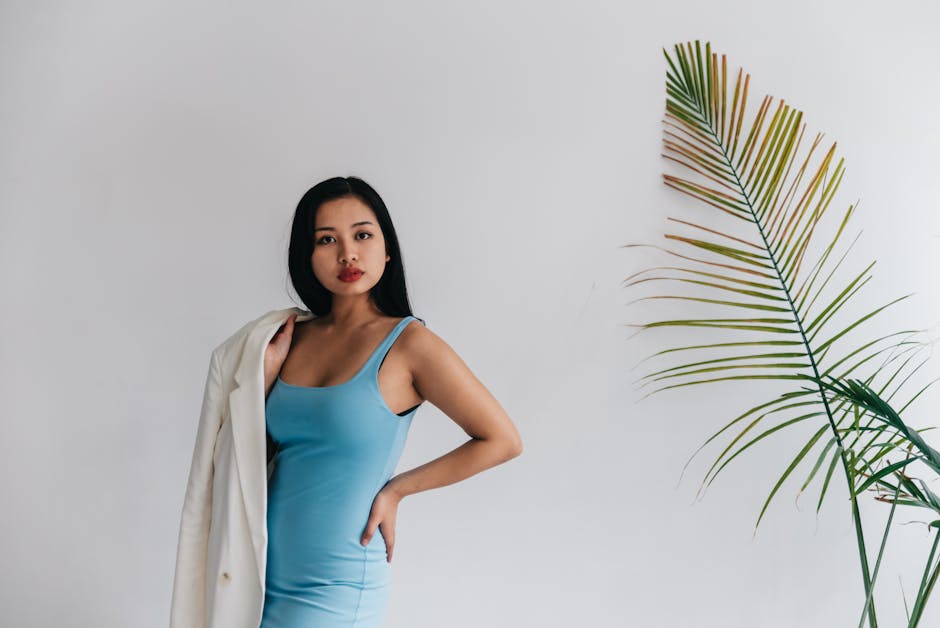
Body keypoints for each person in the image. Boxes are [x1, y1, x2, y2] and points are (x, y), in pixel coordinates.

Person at [257, 176, 523, 627]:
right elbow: (252, 454)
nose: (348, 254)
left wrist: (398, 490)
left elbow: (501, 439)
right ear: (307, 255)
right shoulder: (286, 339)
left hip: (339, 582)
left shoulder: (410, 344)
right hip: (263, 572)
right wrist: (264, 374)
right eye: (327, 239)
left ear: (386, 249)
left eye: (362, 234)